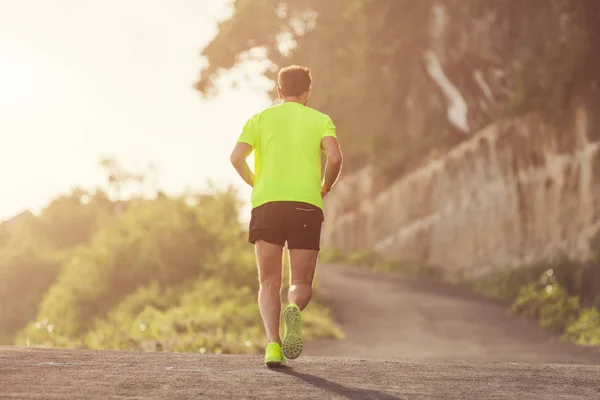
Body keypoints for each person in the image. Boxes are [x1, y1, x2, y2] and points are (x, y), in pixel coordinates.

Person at [229, 65, 343, 367]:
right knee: (300, 281)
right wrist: (326, 186)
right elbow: (334, 157)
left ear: (279, 91)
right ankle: (294, 307)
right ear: (307, 93)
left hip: (267, 204)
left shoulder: (259, 119)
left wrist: (257, 182)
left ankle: (272, 345)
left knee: (268, 281)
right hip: (306, 203)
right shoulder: (320, 120)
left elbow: (236, 157)